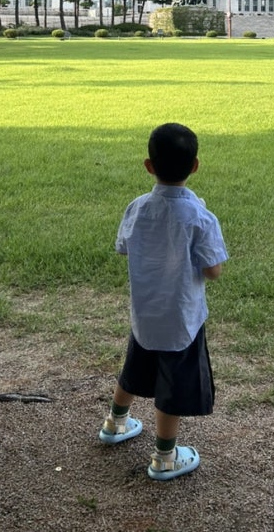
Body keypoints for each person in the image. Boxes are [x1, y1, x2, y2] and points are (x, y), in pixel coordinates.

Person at [99, 123, 228, 480]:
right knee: (172, 386)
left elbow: (125, 248)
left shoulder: (137, 208)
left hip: (145, 312)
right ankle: (165, 458)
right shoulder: (200, 217)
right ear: (196, 166)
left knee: (134, 368)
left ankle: (114, 423)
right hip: (181, 319)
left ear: (149, 166)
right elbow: (213, 271)